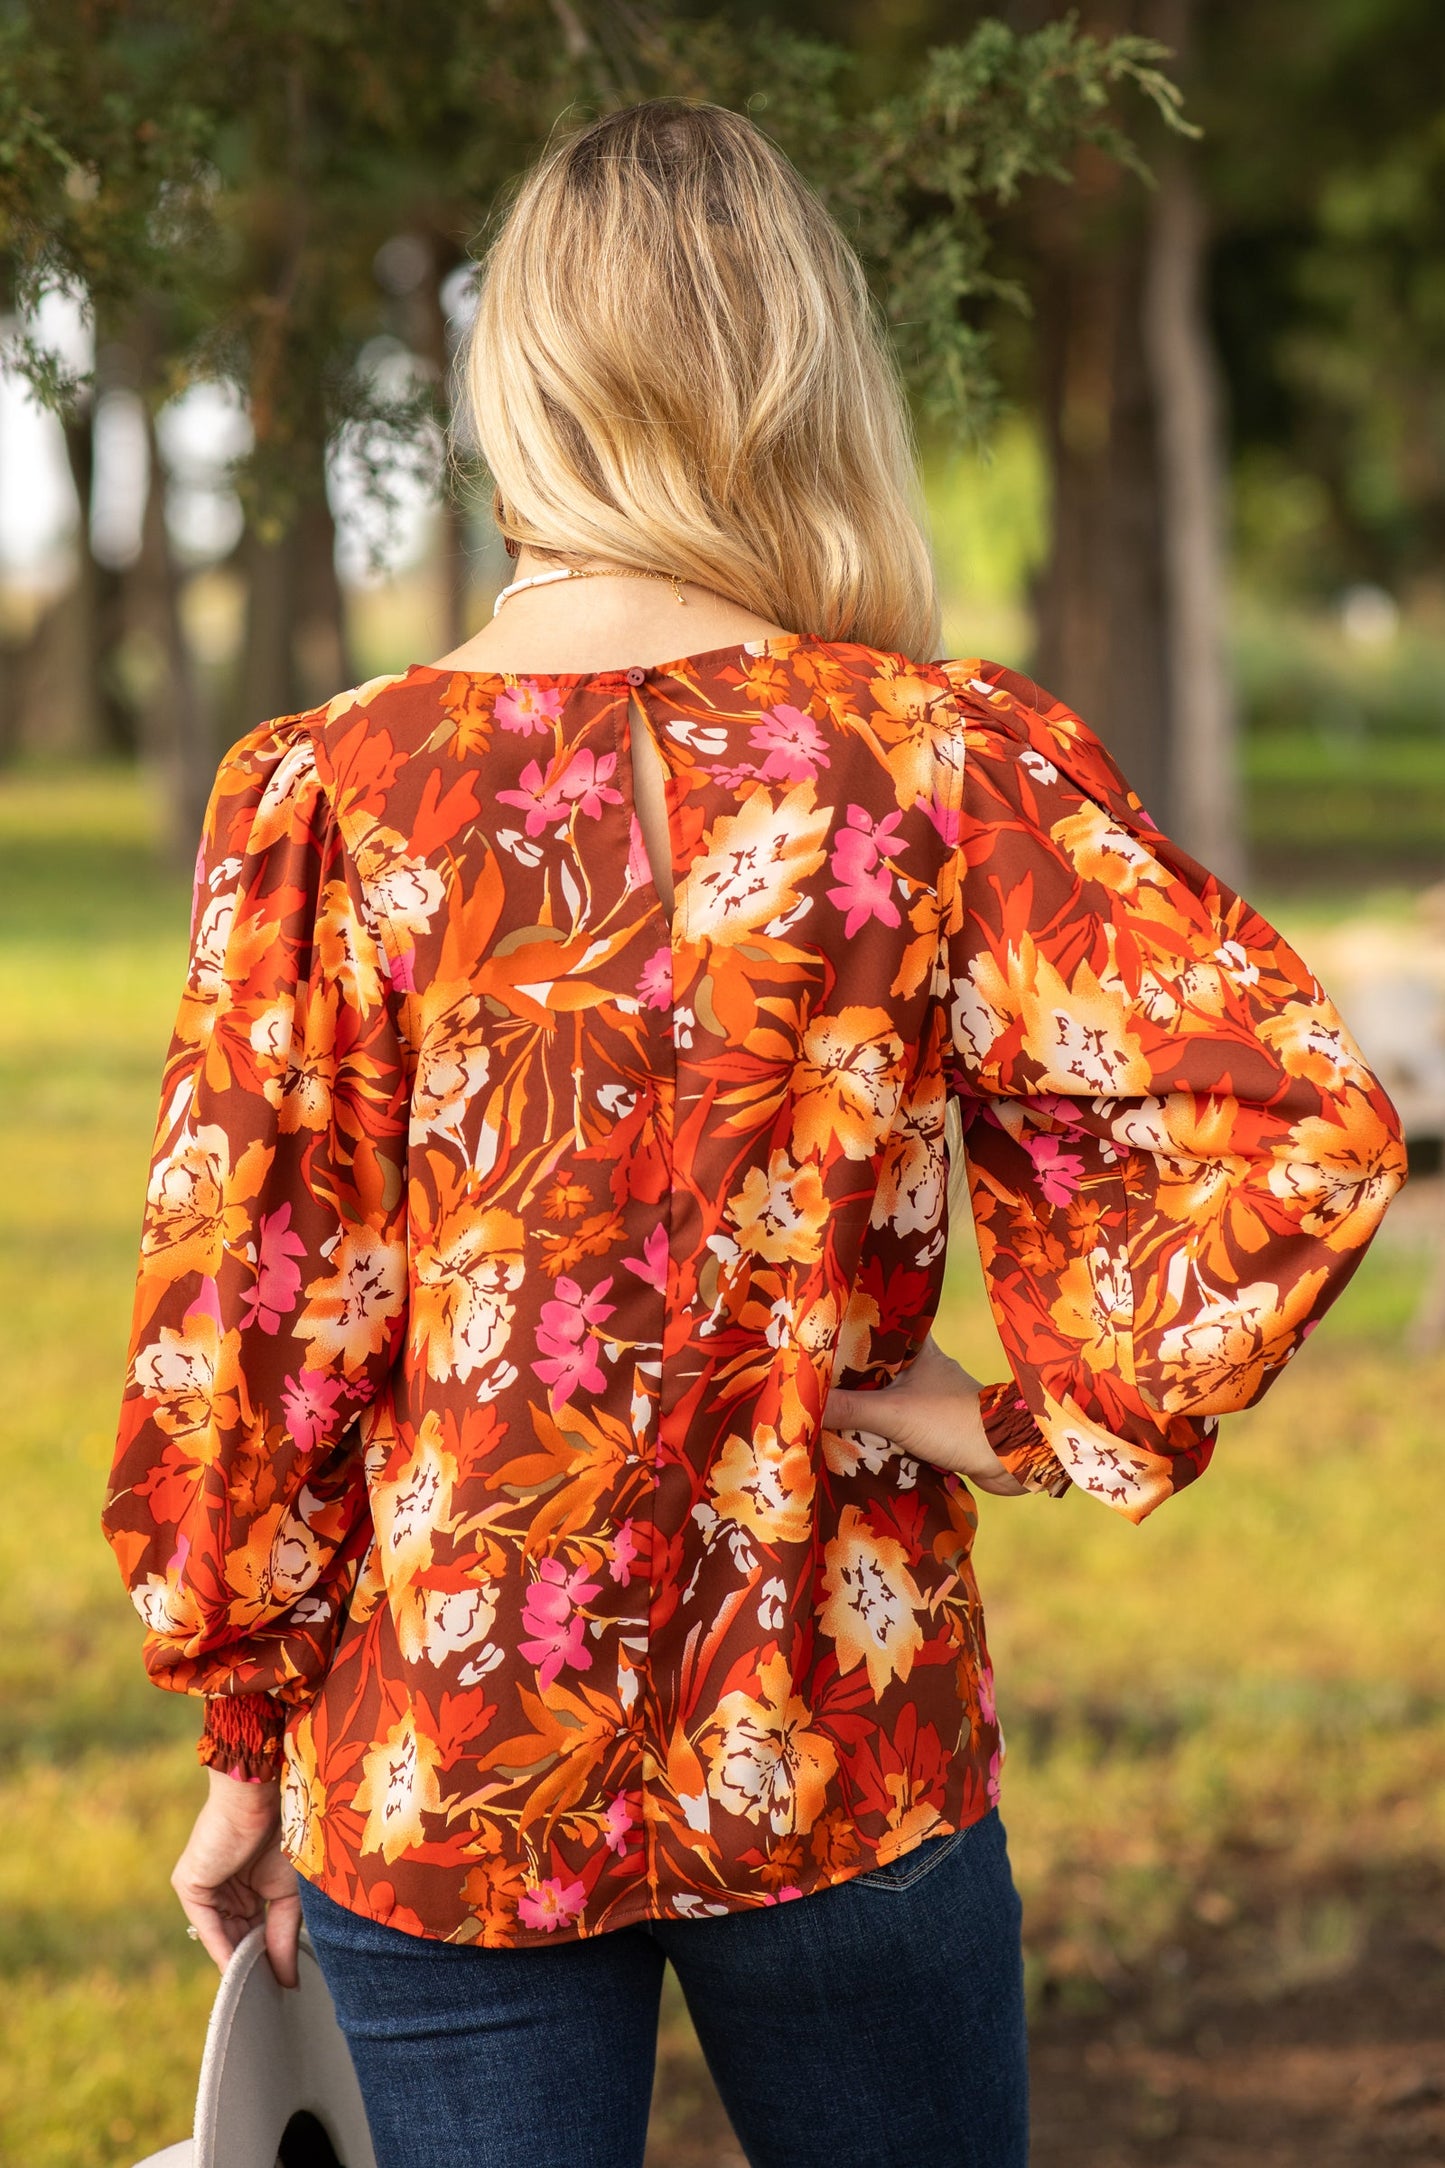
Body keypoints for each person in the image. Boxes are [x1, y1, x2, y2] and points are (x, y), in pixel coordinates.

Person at [102, 99, 1406, 2168]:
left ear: (519, 380)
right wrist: (1016, 1414)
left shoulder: (336, 795)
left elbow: (250, 1314)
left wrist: (246, 1738)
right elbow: (1298, 1123)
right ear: (795, 379)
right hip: (838, 1719)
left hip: (448, 1748)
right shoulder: (923, 758)